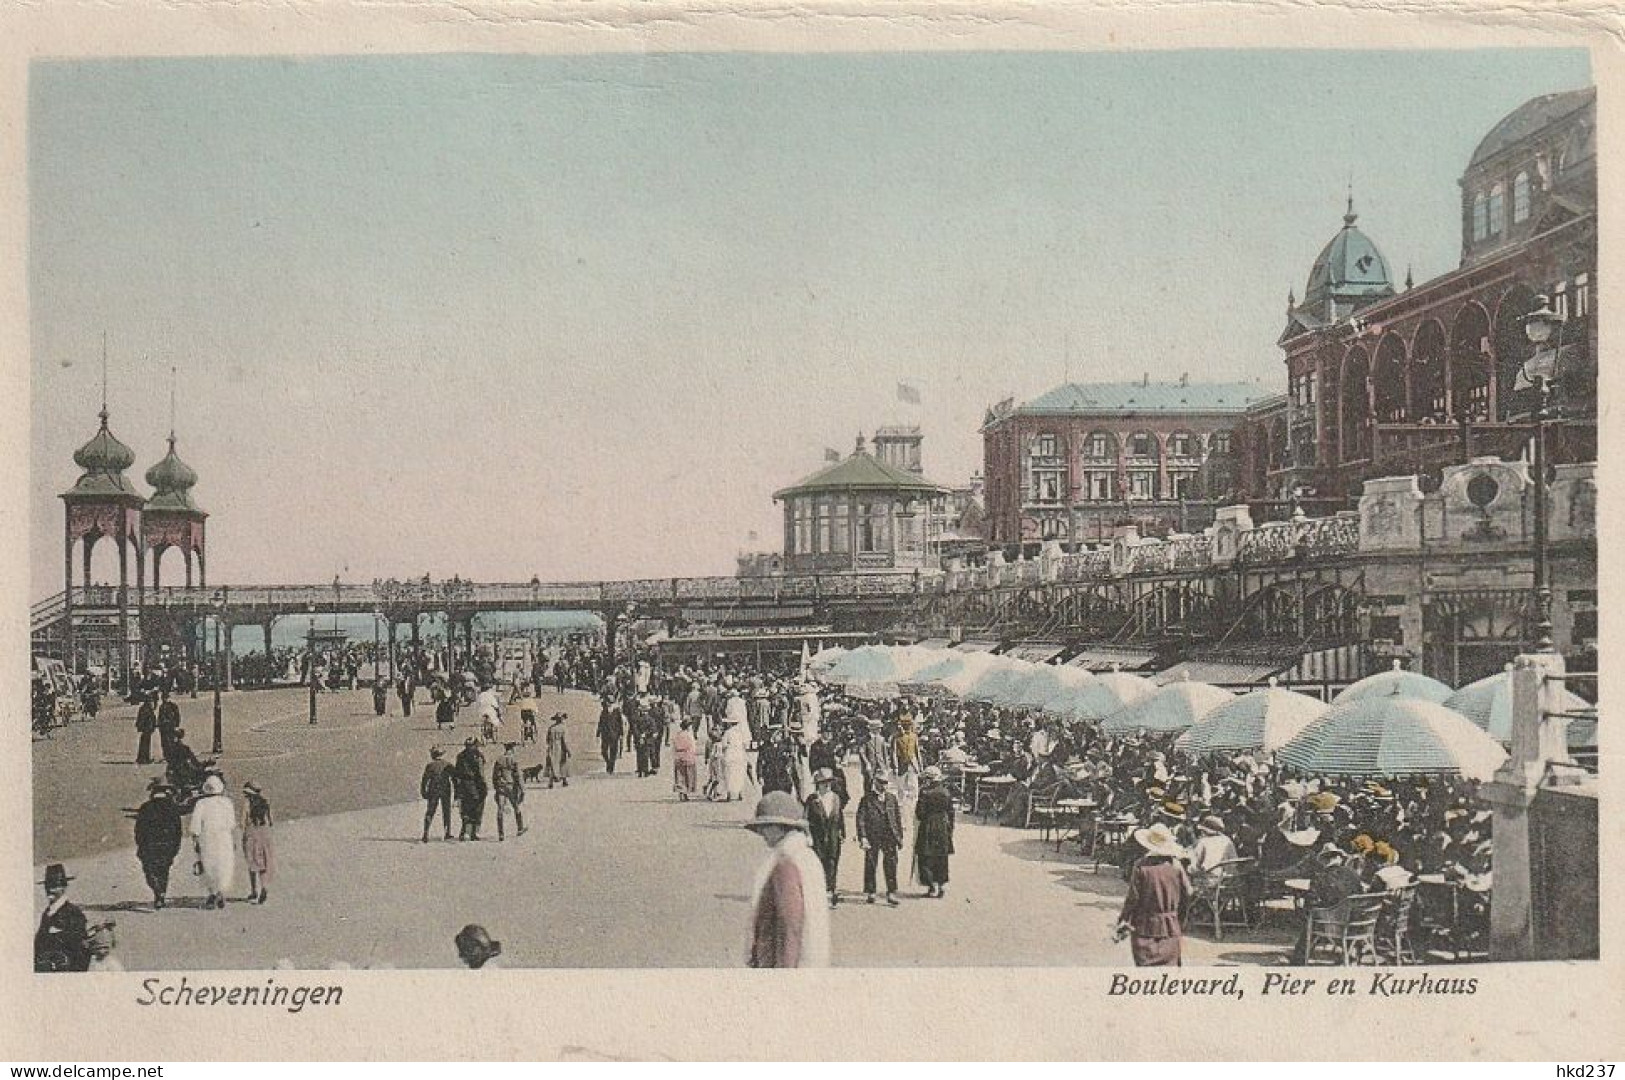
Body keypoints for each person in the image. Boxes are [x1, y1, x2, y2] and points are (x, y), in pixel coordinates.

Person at [743, 790, 831, 968]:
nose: (761, 832)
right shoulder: (807, 857)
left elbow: (790, 927)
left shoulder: (785, 863)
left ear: (782, 827)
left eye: (766, 826)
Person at [1115, 823, 1191, 967]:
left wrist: (1123, 919)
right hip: (1170, 927)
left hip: (1145, 926)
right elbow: (1188, 893)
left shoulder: (1142, 866)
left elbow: (1133, 898)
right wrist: (1179, 918)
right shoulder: (1176, 866)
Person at [856, 772, 905, 907]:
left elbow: (897, 819)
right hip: (873, 835)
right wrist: (863, 837)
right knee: (871, 863)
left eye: (886, 783)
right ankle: (871, 891)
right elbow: (860, 820)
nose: (884, 785)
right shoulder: (867, 799)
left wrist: (899, 837)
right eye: (881, 782)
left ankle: (891, 892)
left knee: (891, 864)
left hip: (889, 836)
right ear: (875, 782)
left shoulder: (891, 798)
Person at [189, 774, 237, 910]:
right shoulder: (227, 803)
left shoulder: (201, 803)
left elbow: (195, 826)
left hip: (207, 838)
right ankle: (221, 891)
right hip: (224, 837)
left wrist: (195, 840)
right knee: (224, 864)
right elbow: (231, 823)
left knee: (208, 864)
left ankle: (211, 893)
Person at [133, 779, 182, 909]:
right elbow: (178, 830)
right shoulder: (172, 808)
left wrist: (140, 845)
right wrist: (175, 847)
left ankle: (156, 889)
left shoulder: (145, 808)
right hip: (167, 845)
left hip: (149, 845)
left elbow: (139, 830)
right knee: (164, 871)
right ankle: (161, 894)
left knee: (149, 871)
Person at [35, 863, 89, 972]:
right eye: (48, 886)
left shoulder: (74, 913)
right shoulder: (47, 913)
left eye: (55, 886)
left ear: (64, 887)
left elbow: (81, 947)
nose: (50, 890)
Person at [804, 768, 845, 908]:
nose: (827, 785)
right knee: (818, 864)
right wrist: (808, 835)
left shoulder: (836, 798)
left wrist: (842, 833)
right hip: (817, 838)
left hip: (833, 836)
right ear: (818, 784)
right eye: (823, 783)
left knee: (832, 862)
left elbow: (840, 817)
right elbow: (805, 820)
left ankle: (831, 890)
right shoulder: (812, 799)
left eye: (829, 782)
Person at [914, 765, 955, 899]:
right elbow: (951, 812)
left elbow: (920, 813)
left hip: (928, 826)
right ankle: (942, 886)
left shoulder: (924, 792)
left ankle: (931, 887)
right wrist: (950, 828)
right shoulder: (946, 791)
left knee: (925, 857)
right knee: (941, 857)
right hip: (943, 826)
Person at [241, 782, 274, 904]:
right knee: (263, 861)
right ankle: (264, 886)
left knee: (252, 862)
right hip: (264, 833)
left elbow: (242, 821)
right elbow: (271, 821)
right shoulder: (265, 802)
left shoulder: (247, 803)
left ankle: (254, 890)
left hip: (252, 833)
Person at [454, 738, 488, 841]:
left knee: (465, 810)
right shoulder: (477, 756)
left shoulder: (460, 756)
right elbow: (481, 774)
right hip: (475, 786)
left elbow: (457, 773)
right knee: (477, 809)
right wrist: (484, 786)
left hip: (463, 786)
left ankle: (463, 833)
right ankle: (473, 833)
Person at [492, 743, 527, 841]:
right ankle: (520, 828)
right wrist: (522, 789)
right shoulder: (514, 759)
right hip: (511, 786)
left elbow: (494, 775)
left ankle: (501, 834)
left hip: (501, 786)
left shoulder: (499, 759)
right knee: (516, 806)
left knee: (500, 809)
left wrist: (496, 787)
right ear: (512, 749)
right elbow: (518, 776)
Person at [420, 747, 455, 842]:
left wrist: (423, 791)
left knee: (430, 812)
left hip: (433, 790)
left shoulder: (430, 766)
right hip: (445, 790)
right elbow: (455, 778)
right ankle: (447, 833)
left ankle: (425, 833)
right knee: (446, 812)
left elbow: (425, 780)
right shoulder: (447, 765)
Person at [719, 716, 750, 802]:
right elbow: (745, 745)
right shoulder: (741, 733)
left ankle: (729, 794)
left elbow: (724, 745)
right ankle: (740, 793)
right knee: (739, 774)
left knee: (729, 774)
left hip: (730, 754)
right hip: (740, 754)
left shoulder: (727, 733)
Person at [672, 719, 700, 800]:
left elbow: (674, 746)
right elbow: (691, 746)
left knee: (681, 776)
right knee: (688, 776)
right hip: (688, 757)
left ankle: (681, 792)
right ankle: (685, 793)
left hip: (679, 757)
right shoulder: (688, 735)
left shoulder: (677, 735)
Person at [597, 698, 624, 774]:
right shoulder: (604, 712)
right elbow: (600, 723)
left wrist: (621, 734)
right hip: (605, 734)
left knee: (613, 752)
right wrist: (598, 734)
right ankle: (608, 762)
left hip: (614, 735)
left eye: (610, 703)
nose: (609, 704)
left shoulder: (617, 712)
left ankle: (611, 766)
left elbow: (620, 724)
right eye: (608, 703)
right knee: (604, 751)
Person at [545, 713, 572, 788]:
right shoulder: (563, 728)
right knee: (562, 763)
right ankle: (564, 780)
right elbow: (564, 741)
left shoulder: (551, 728)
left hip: (551, 747)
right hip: (560, 747)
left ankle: (550, 782)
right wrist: (568, 750)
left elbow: (547, 740)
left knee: (552, 763)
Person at [134, 695, 158, 765]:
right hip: (146, 729)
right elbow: (143, 719)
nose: (152, 703)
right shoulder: (146, 709)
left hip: (147, 729)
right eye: (151, 701)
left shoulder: (144, 708)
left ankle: (143, 758)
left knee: (145, 743)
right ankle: (144, 758)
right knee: (145, 744)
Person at [156, 691, 182, 757]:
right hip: (163, 727)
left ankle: (171, 754)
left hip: (170, 726)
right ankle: (166, 754)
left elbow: (177, 715)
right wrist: (159, 724)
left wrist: (176, 724)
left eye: (165, 698)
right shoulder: (161, 707)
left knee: (170, 740)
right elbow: (160, 717)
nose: (164, 699)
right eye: (163, 698)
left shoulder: (172, 706)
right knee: (164, 741)